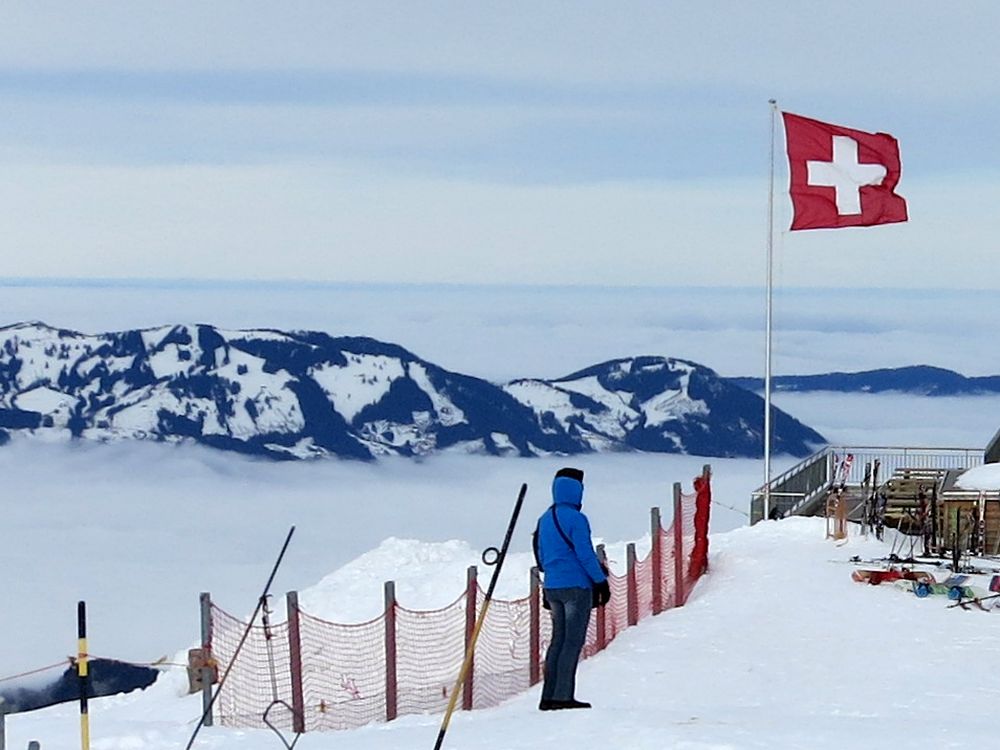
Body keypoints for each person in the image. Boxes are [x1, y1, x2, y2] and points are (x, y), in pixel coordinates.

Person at [533, 467, 610, 711]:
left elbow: (542, 556)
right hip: (577, 586)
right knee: (572, 642)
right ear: (577, 491)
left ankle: (548, 695)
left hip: (552, 586)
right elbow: (585, 554)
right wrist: (600, 581)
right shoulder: (577, 519)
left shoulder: (545, 518)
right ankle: (563, 696)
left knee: (557, 641)